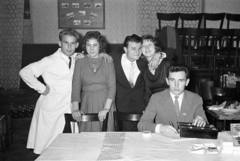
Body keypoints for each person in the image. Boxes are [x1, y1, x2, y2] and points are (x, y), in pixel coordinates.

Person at [19, 28, 80, 154]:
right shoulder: (49, 60)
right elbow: (25, 72)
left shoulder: (76, 58)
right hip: (51, 109)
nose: (69, 46)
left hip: (69, 109)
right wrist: (42, 88)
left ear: (77, 45)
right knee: (47, 148)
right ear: (59, 43)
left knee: (69, 147)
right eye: (65, 42)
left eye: (72, 43)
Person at [138, 64, 208, 134]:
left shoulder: (196, 99)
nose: (176, 85)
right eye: (172, 80)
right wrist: (160, 128)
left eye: (180, 80)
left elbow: (205, 124)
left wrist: (201, 121)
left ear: (187, 82)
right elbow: (141, 125)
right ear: (167, 81)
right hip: (163, 142)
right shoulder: (156, 98)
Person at [111, 34, 161, 131]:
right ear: (125, 49)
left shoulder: (143, 61)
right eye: (133, 48)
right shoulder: (114, 59)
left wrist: (158, 54)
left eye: (139, 48)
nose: (137, 52)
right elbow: (97, 55)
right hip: (121, 107)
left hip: (140, 108)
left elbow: (171, 52)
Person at [71, 31, 116, 132]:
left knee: (106, 138)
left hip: (106, 102)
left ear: (100, 46)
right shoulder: (80, 61)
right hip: (87, 102)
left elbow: (112, 87)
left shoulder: (108, 61)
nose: (91, 48)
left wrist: (106, 108)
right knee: (88, 138)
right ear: (84, 45)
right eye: (88, 45)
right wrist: (75, 109)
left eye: (95, 45)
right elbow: (76, 86)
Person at [141, 35, 174, 104]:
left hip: (171, 103)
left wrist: (159, 54)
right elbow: (147, 93)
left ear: (155, 47)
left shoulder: (166, 64)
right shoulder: (145, 70)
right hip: (156, 105)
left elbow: (177, 87)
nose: (146, 47)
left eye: (149, 44)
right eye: (143, 46)